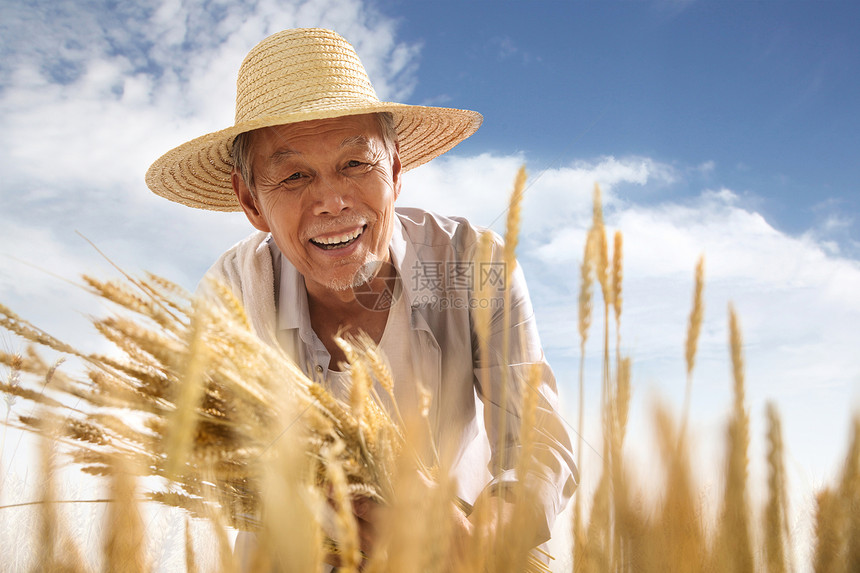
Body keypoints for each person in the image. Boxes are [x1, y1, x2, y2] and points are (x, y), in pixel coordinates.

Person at [146, 28, 576, 567]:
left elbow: (536, 440)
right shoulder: (233, 294)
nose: (332, 200)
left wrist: (471, 539)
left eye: (355, 164)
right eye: (295, 175)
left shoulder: (474, 263)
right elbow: (219, 463)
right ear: (250, 201)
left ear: (395, 171)